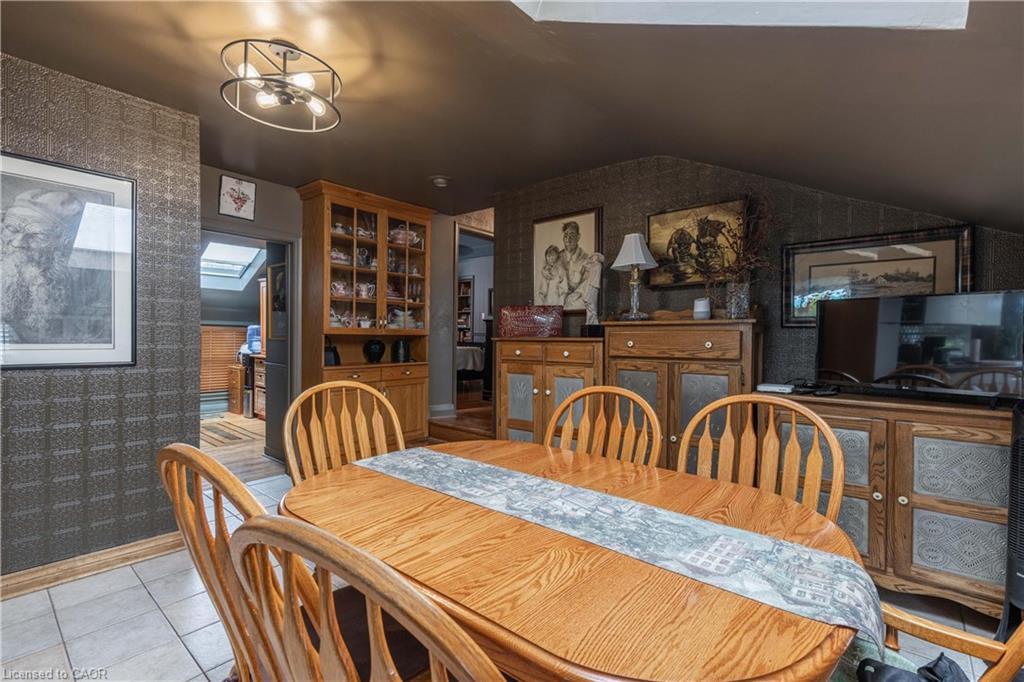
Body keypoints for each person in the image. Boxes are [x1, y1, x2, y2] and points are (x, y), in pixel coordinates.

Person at [558, 220, 590, 308]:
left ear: (578, 237)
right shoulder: (557, 258)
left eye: (572, 234)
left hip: (575, 304)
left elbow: (586, 287)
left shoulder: (586, 259)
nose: (568, 238)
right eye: (566, 235)